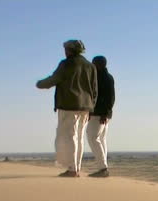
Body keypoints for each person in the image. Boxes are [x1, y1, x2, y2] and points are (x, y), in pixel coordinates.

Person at [36, 39, 97, 177]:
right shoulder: (90, 66)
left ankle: (72, 169)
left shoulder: (66, 64)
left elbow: (53, 79)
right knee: (79, 137)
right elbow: (94, 89)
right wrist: (91, 106)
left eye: (66, 49)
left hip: (70, 105)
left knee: (69, 136)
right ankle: (77, 167)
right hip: (86, 106)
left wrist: (39, 84)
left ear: (70, 50)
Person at [86, 55, 115, 177]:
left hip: (99, 114)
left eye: (94, 63)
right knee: (101, 139)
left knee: (93, 137)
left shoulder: (103, 78)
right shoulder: (104, 77)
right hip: (103, 113)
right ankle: (103, 167)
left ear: (101, 64)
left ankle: (103, 168)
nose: (93, 65)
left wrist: (105, 113)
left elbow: (110, 97)